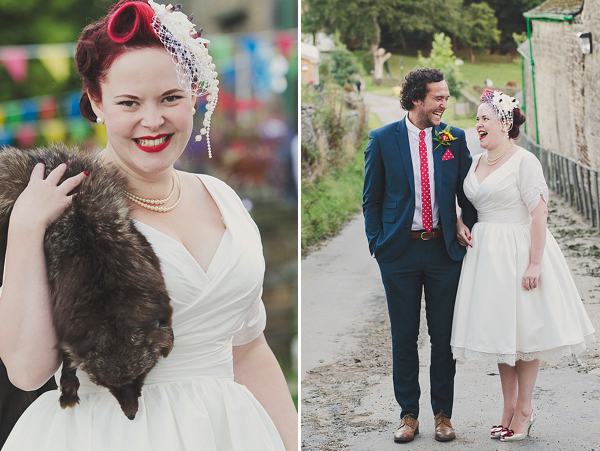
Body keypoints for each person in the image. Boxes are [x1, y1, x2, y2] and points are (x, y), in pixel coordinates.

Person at [0, 1, 297, 449]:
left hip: (229, 433)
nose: (153, 120)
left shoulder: (225, 200)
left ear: (194, 96)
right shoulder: (60, 208)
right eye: (129, 103)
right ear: (97, 103)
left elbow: (248, 348)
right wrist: (25, 226)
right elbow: (26, 371)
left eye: (170, 98)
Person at [451, 89, 595, 442]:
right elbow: (468, 204)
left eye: (484, 118)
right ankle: (508, 406)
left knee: (526, 331)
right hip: (487, 256)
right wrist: (458, 222)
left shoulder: (525, 161)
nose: (477, 124)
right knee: (503, 333)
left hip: (518, 251)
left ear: (504, 124)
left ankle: (526, 409)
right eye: (478, 119)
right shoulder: (475, 162)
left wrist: (534, 262)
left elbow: (539, 212)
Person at [362, 68, 477, 443]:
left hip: (445, 252)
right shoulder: (382, 139)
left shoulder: (453, 139)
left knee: (443, 337)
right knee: (404, 335)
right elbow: (371, 198)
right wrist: (378, 244)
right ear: (416, 100)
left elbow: (470, 194)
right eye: (438, 98)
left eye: (446, 97)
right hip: (399, 252)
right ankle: (408, 415)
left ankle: (443, 415)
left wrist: (465, 224)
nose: (445, 103)